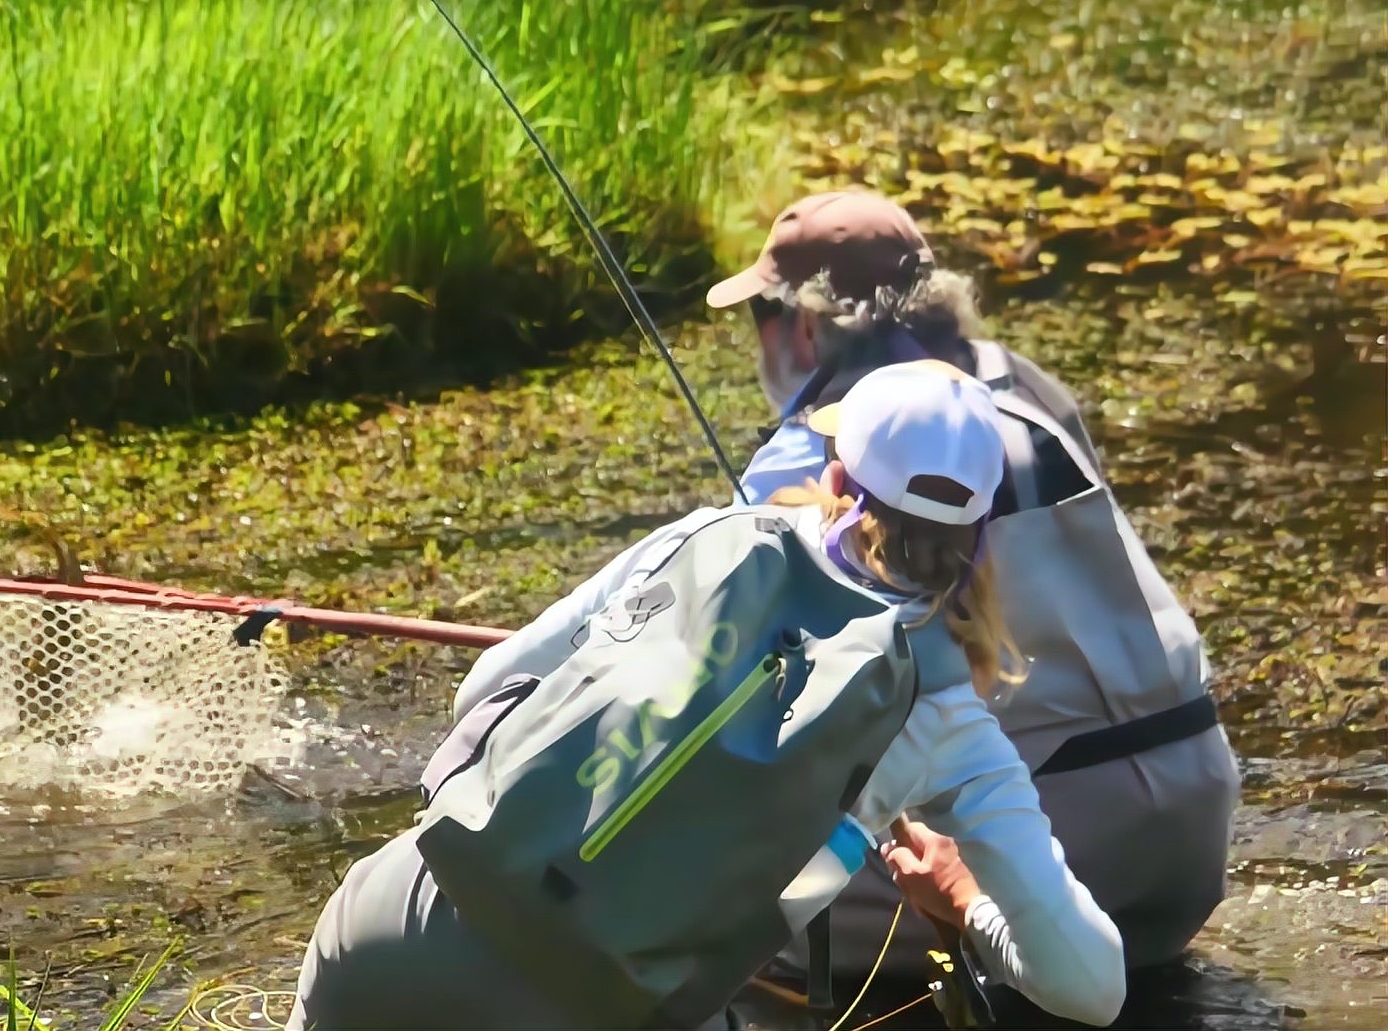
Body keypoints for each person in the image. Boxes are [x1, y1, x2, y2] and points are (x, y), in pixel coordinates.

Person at [289, 363, 1127, 1030]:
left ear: (836, 476)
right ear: (982, 535)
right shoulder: (947, 716)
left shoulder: (707, 536)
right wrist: (964, 900)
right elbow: (1092, 988)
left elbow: (486, 689)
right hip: (598, 1009)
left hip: (396, 922)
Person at [689, 186, 1239, 979]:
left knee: (704, 904)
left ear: (804, 326)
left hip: (1055, 837)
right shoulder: (1028, 387)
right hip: (1194, 821)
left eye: (762, 318)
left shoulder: (823, 441)